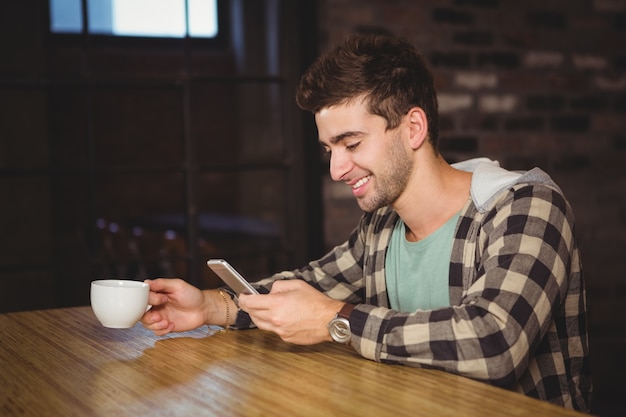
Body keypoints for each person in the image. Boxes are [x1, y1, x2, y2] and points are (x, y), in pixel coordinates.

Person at [141, 33, 591, 411]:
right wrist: (211, 307)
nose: (337, 169)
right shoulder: (382, 225)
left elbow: (494, 342)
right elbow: (309, 286)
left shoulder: (525, 206)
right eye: (328, 149)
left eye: (351, 143)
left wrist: (338, 321)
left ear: (413, 128)